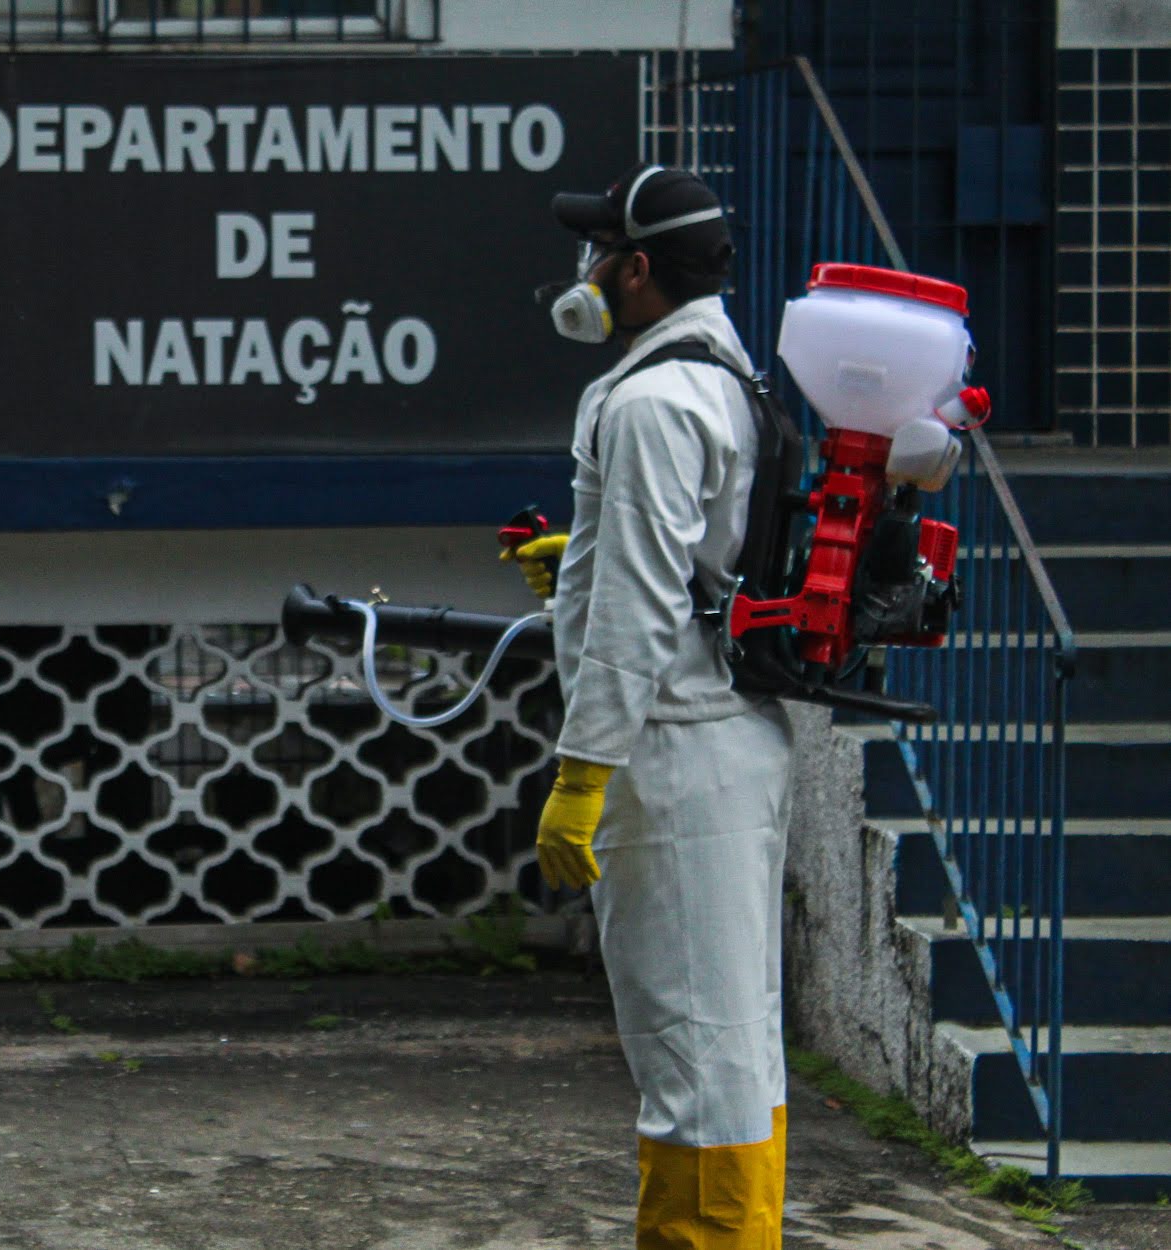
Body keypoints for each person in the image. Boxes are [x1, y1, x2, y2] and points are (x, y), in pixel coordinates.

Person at [506, 163, 796, 1249]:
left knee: (692, 1056)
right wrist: (574, 566)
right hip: (722, 743)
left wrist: (580, 778)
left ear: (633, 269)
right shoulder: (722, 371)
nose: (579, 272)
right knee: (730, 1044)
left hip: (670, 763)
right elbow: (678, 569)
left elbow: (636, 603)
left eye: (595, 252)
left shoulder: (649, 398)